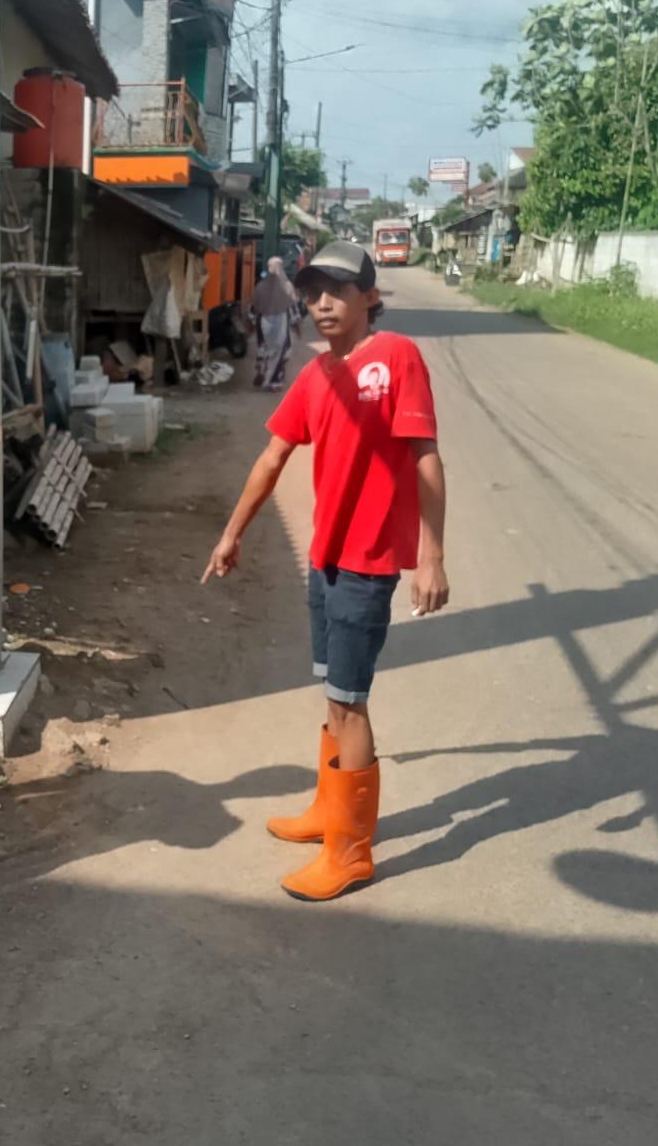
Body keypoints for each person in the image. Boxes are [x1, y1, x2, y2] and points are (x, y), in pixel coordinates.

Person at [202, 241, 448, 901]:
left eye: (338, 291)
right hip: (325, 560)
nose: (321, 304)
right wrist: (231, 536)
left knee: (350, 699)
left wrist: (431, 555)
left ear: (370, 296)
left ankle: (350, 851)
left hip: (369, 564)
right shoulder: (314, 377)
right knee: (332, 693)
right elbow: (271, 459)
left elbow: (425, 457)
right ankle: (326, 810)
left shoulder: (396, 357)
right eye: (313, 293)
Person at [249, 256, 302, 392]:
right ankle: (273, 381)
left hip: (264, 322)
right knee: (279, 351)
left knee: (266, 349)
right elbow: (292, 306)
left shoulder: (261, 285)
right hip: (280, 321)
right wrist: (296, 325)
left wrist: (253, 323)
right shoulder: (285, 285)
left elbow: (254, 307)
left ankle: (264, 373)